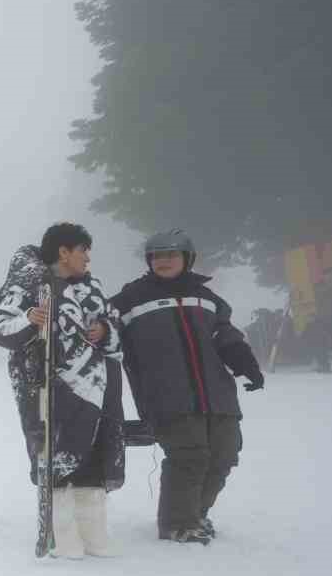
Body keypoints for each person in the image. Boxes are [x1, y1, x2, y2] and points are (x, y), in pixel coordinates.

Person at [109, 230, 265, 544]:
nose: (163, 261)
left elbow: (224, 334)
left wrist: (244, 362)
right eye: (157, 256)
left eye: (171, 255)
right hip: (167, 394)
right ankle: (177, 523)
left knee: (224, 454)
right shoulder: (130, 299)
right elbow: (104, 331)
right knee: (189, 455)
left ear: (187, 259)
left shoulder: (207, 298)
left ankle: (197, 513)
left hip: (217, 393)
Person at [0, 223, 125, 558]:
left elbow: (117, 326)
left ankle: (94, 534)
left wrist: (104, 329)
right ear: (63, 252)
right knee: (59, 457)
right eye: (83, 250)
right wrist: (30, 320)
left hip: (99, 386)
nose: (88, 258)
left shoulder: (92, 287)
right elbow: (0, 327)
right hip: (51, 387)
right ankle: (62, 536)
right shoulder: (32, 284)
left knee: (94, 458)